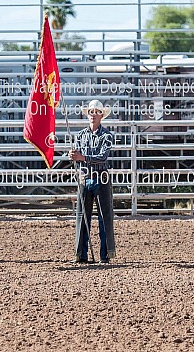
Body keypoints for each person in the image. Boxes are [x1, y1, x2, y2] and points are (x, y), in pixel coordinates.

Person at [69, 99, 116, 264]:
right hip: (85, 177)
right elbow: (78, 157)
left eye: (96, 112)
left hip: (101, 178)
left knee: (104, 217)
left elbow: (102, 157)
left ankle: (105, 255)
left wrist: (81, 157)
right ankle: (81, 254)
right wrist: (73, 156)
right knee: (82, 217)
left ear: (102, 115)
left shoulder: (108, 136)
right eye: (91, 112)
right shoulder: (80, 136)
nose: (93, 115)